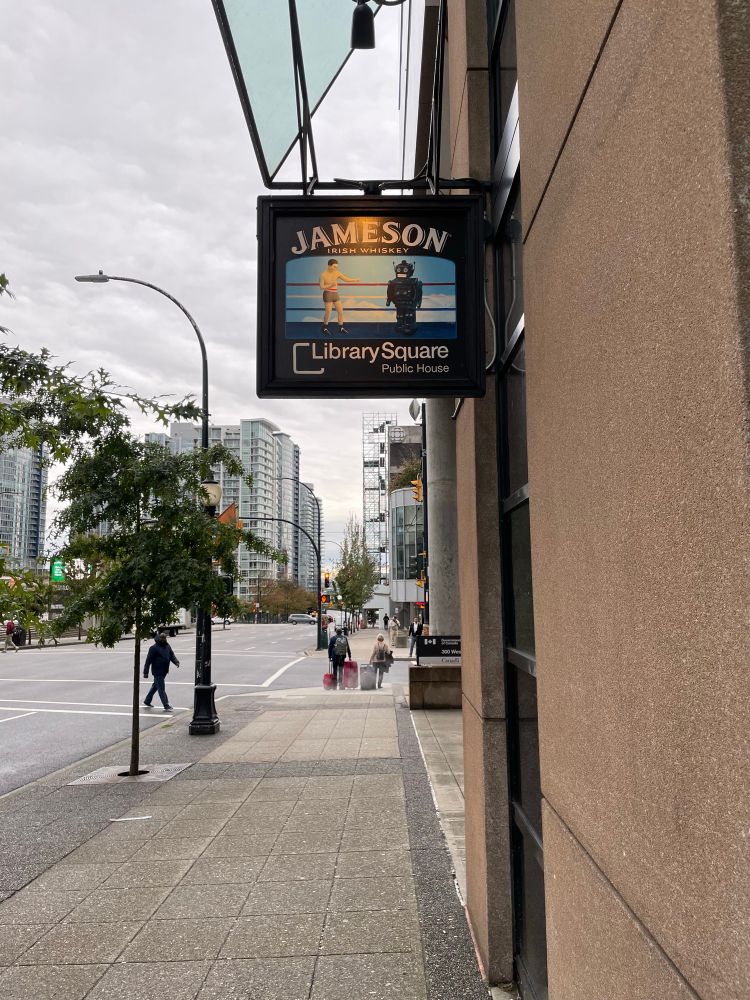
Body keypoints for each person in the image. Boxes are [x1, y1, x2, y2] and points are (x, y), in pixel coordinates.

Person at [319, 258, 360, 335]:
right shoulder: (323, 274)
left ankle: (341, 328)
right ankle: (324, 328)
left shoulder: (336, 272)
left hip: (335, 293)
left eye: (336, 267)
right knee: (328, 312)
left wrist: (355, 280)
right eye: (334, 267)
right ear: (329, 266)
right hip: (328, 293)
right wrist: (330, 285)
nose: (335, 268)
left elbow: (346, 279)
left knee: (340, 311)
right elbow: (321, 287)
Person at [143, 632, 180, 712]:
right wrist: (145, 672)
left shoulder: (167, 646)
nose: (164, 639)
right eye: (162, 638)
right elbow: (148, 660)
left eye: (165, 638)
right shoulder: (153, 648)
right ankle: (166, 705)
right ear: (159, 638)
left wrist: (176, 662)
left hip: (164, 671)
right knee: (161, 688)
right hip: (157, 671)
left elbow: (171, 655)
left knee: (155, 686)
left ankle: (147, 701)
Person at [329, 626, 351, 691]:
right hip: (342, 656)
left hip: (335, 656)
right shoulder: (345, 638)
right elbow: (348, 647)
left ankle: (334, 686)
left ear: (336, 632)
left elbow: (330, 648)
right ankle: (341, 685)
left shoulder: (333, 638)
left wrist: (330, 657)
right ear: (342, 632)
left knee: (335, 670)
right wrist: (349, 656)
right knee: (341, 670)